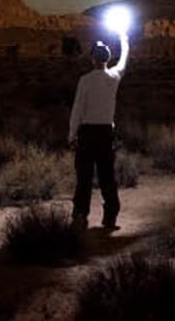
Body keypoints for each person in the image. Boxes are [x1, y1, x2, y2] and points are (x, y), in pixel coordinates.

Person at [68, 26, 129, 230]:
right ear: (108, 58)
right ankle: (110, 217)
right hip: (105, 134)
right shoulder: (114, 78)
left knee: (84, 177)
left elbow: (77, 109)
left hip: (87, 133)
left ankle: (80, 215)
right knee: (107, 177)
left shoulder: (85, 81)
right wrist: (124, 39)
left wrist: (72, 134)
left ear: (93, 59)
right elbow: (124, 61)